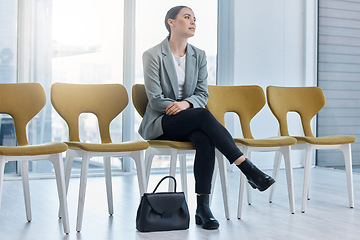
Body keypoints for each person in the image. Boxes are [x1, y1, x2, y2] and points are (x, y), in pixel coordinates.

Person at [138, 6, 275, 230]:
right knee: (201, 115)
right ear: (171, 22)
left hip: (191, 119)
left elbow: (202, 94)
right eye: (187, 17)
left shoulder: (198, 56)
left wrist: (186, 104)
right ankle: (246, 168)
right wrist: (184, 107)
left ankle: (203, 208)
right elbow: (155, 99)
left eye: (195, 19)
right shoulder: (153, 55)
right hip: (162, 122)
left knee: (204, 137)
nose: (193, 22)